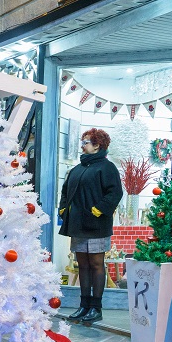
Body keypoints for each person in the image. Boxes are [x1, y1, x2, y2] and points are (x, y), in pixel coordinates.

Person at [58, 128, 123, 324]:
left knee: (96, 265)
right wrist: (63, 209)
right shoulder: (77, 169)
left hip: (96, 225)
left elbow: (115, 193)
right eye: (83, 141)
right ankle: (84, 305)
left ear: (97, 145)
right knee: (83, 265)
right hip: (77, 224)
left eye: (86, 141)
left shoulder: (107, 167)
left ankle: (96, 307)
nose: (83, 144)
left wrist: (100, 209)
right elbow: (65, 191)